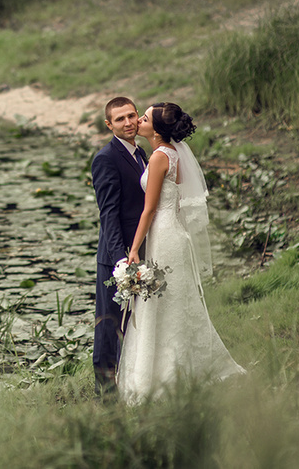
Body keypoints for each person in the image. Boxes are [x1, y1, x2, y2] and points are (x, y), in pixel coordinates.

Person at [118, 102, 245, 404]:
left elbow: (150, 210)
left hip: (164, 236)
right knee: (170, 301)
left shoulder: (161, 157)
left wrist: (134, 250)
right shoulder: (169, 155)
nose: (139, 120)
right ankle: (173, 366)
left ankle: (164, 374)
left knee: (163, 301)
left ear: (157, 130)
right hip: (170, 232)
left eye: (144, 118)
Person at [90, 96, 148, 393]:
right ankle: (105, 397)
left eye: (131, 116)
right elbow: (108, 214)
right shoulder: (106, 158)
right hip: (118, 257)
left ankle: (132, 385)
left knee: (137, 326)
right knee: (109, 329)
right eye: (120, 119)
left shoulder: (142, 154)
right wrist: (119, 262)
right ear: (109, 124)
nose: (128, 123)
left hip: (142, 252)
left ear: (138, 116)